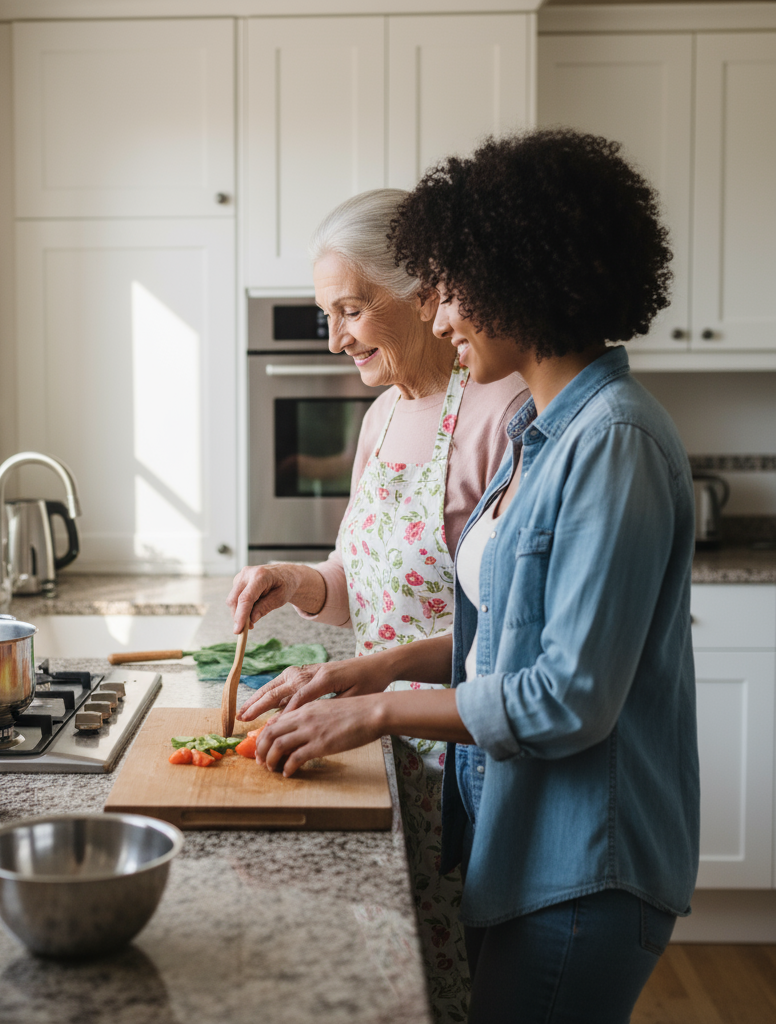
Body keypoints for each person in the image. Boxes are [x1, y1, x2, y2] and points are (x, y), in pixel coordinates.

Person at [240, 129, 699, 1024]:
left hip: (584, 862)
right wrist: (363, 669)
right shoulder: (549, 432)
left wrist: (372, 708)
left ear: (518, 277)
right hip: (517, 835)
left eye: (450, 292)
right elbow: (509, 636)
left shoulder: (614, 442)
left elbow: (568, 697)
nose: (442, 319)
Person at [229, 188, 528, 1018]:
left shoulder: (505, 413)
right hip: (370, 746)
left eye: (351, 309)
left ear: (424, 292)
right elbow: (358, 584)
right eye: (328, 314)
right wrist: (297, 582)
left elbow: (503, 628)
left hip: (462, 755)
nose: (335, 339)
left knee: (454, 981)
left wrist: (375, 687)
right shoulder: (382, 416)